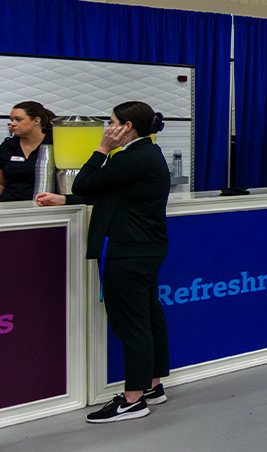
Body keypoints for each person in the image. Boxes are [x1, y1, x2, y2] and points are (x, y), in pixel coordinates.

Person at [35, 101, 171, 423]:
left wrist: (101, 148)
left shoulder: (130, 156)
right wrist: (65, 199)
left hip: (130, 250)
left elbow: (85, 183)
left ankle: (133, 399)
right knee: (149, 316)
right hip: (146, 247)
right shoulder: (148, 153)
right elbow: (111, 191)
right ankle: (152, 385)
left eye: (111, 123)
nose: (107, 129)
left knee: (132, 324)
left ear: (128, 127)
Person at [0, 101, 55, 202]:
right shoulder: (7, 146)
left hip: (43, 206)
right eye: (12, 120)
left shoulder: (53, 145)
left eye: (18, 120)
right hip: (8, 205)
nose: (13, 124)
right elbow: (1, 184)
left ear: (36, 121)